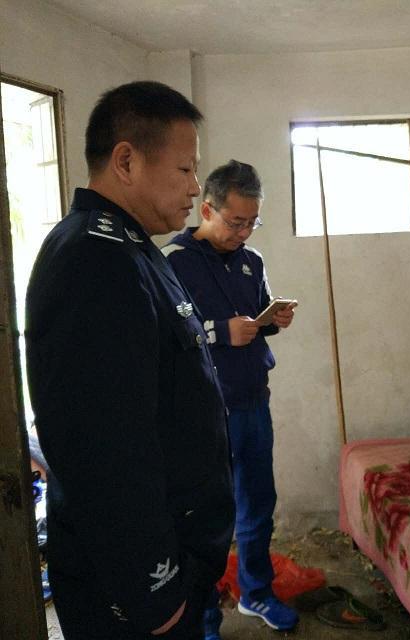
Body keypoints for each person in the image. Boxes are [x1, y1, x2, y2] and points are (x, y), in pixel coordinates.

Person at [25, 81, 235, 640]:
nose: (195, 187)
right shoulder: (94, 261)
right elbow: (105, 451)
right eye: (185, 169)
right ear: (126, 161)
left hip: (171, 561)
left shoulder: (133, 248)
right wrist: (156, 591)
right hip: (136, 591)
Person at [162, 160, 298, 639]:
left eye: (252, 222)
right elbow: (165, 336)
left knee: (258, 503)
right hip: (205, 412)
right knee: (206, 518)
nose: (243, 232)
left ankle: (256, 591)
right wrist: (221, 331)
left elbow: (254, 319)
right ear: (207, 210)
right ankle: (203, 617)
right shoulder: (172, 262)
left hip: (252, 400)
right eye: (236, 222)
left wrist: (271, 320)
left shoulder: (251, 261)